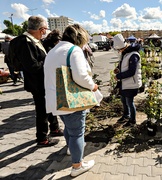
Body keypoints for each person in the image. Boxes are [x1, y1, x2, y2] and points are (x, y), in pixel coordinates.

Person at [44, 24, 98, 177]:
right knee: (77, 133)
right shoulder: (74, 50)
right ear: (79, 38)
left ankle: (71, 150)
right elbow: (80, 76)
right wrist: (92, 86)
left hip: (57, 100)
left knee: (69, 128)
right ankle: (77, 165)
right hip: (72, 100)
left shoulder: (53, 51)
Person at [10, 16, 63, 147]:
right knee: (42, 111)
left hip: (43, 81)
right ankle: (42, 138)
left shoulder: (33, 40)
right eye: (44, 29)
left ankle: (55, 128)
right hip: (37, 83)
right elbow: (32, 66)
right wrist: (49, 61)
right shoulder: (25, 42)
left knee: (49, 105)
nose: (45, 32)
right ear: (40, 29)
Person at [113, 34, 142, 127]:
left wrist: (119, 76)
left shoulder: (134, 55)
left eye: (119, 50)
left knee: (130, 102)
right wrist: (118, 69)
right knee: (123, 100)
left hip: (132, 84)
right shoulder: (125, 53)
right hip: (125, 83)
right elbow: (123, 65)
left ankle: (132, 121)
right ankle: (126, 115)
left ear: (124, 47)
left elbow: (131, 71)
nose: (119, 52)